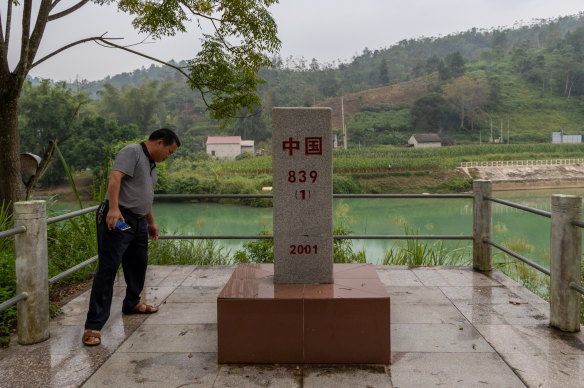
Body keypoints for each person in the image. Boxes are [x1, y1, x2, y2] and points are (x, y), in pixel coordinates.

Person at [82, 128, 180, 346]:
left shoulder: (152, 168)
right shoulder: (133, 151)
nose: (168, 156)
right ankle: (93, 325)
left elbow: (145, 197)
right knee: (108, 268)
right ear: (160, 142)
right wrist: (113, 209)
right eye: (170, 151)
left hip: (137, 221)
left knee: (138, 264)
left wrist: (151, 222)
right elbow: (115, 178)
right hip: (120, 217)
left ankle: (132, 303)